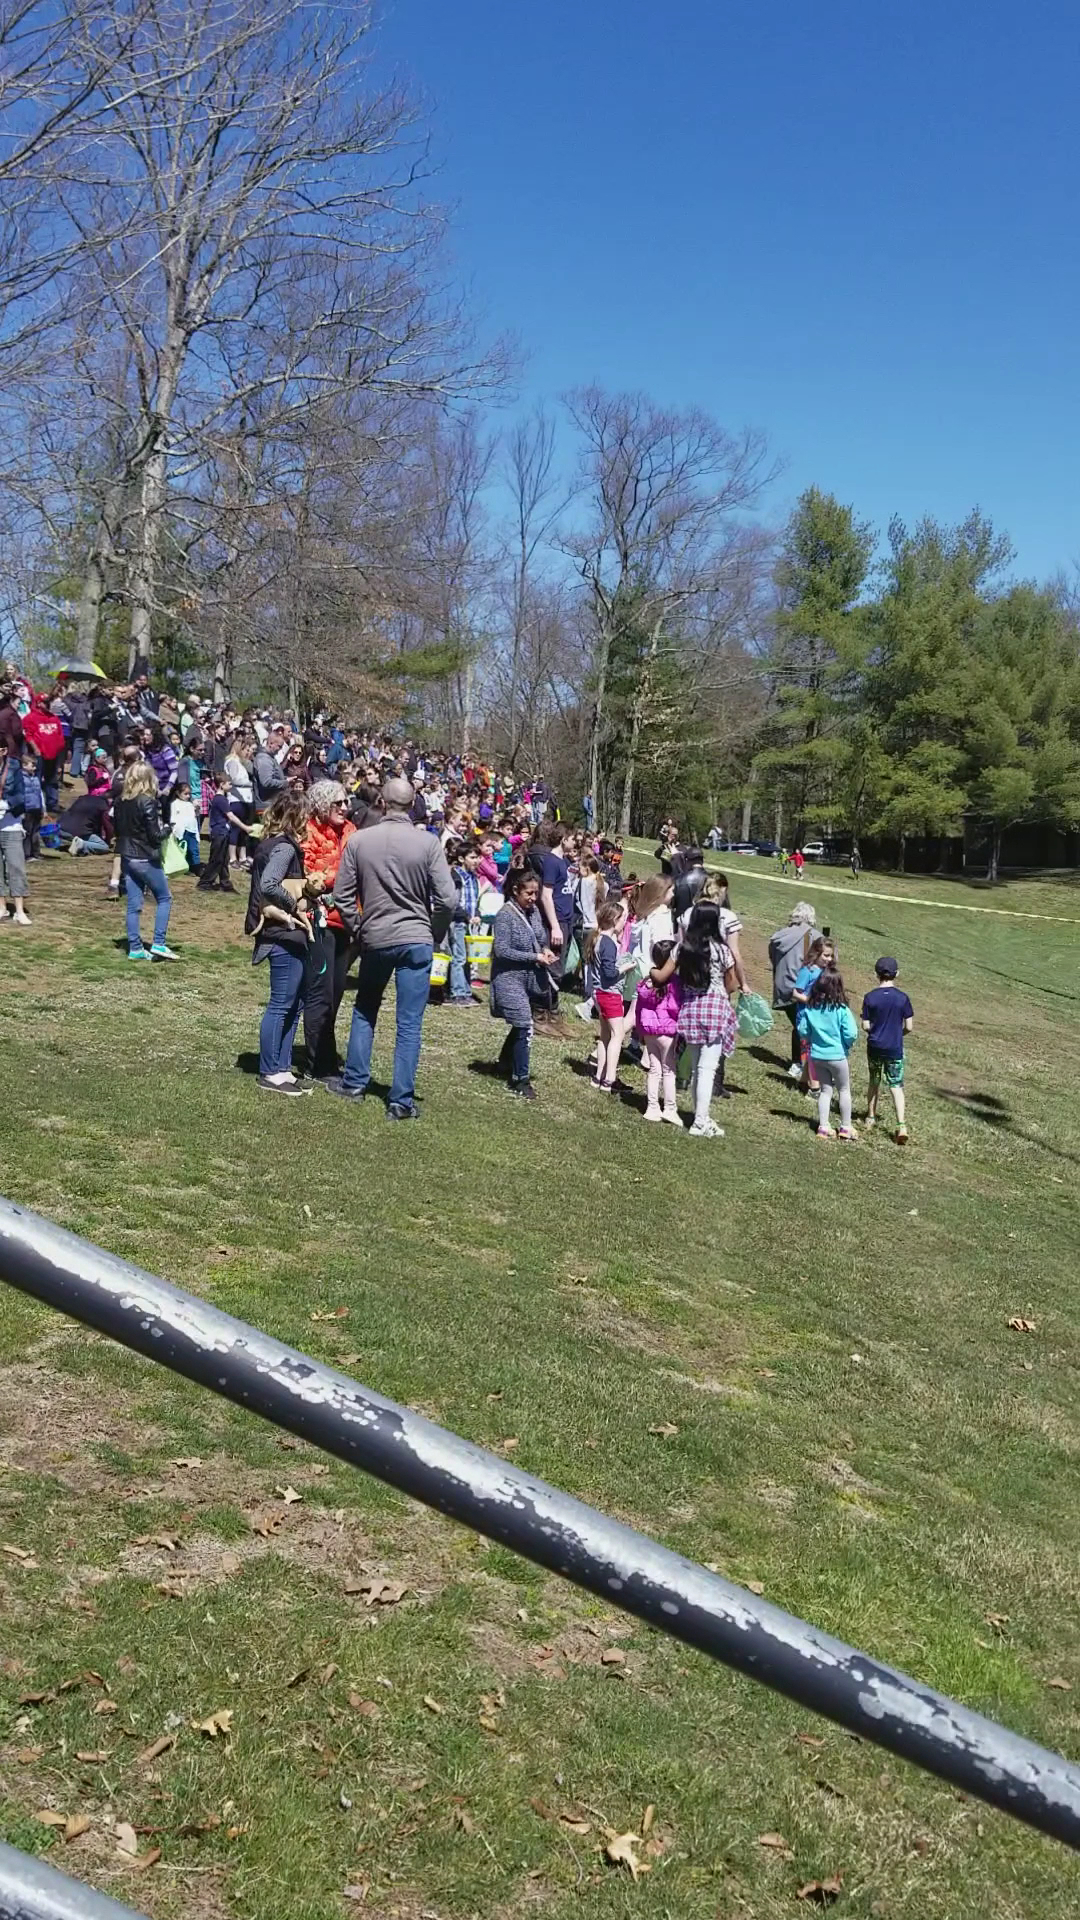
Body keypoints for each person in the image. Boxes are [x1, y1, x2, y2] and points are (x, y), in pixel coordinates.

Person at [330, 775, 457, 1117]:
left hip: (376, 935)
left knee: (365, 1008)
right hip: (416, 937)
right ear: (413, 804)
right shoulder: (428, 843)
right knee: (409, 1022)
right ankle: (400, 1101)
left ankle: (354, 1082)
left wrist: (358, 928)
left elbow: (342, 895)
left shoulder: (359, 841)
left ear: (382, 803)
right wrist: (433, 931)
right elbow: (447, 899)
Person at [246, 789, 317, 1095]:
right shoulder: (285, 848)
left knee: (294, 1005)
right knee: (281, 1004)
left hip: (287, 935)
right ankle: (270, 1071)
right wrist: (294, 903)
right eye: (306, 814)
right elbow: (269, 885)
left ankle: (283, 1068)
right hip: (281, 935)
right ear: (296, 816)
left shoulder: (273, 844)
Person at [301, 779, 356, 1079]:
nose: (345, 807)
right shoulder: (309, 830)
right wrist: (343, 874)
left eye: (347, 802)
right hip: (318, 921)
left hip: (346, 920)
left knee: (335, 993)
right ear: (322, 803)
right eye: (339, 802)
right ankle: (318, 1064)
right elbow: (310, 875)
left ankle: (326, 1056)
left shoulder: (350, 831)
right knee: (320, 993)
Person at [489, 868, 556, 1099]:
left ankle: (504, 1062)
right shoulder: (505, 915)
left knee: (521, 1023)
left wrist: (545, 949)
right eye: (529, 893)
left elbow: (539, 938)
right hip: (508, 978)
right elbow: (502, 950)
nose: (533, 898)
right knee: (525, 1024)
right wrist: (533, 957)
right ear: (516, 890)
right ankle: (521, 1078)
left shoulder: (533, 911)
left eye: (536, 893)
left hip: (528, 978)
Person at [674, 900, 737, 1138]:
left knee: (696, 1066)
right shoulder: (721, 950)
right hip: (714, 1008)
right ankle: (700, 1121)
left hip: (690, 1008)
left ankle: (700, 1116)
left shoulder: (684, 948)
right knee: (707, 1069)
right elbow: (731, 982)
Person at [114, 760, 176, 960]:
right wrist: (168, 828)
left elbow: (117, 830)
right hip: (144, 856)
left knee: (134, 904)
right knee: (164, 898)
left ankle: (135, 948)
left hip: (127, 856)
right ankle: (159, 942)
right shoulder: (147, 801)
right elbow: (155, 836)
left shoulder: (120, 801)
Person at [800, 965, 858, 1141]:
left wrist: (812, 1039)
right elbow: (851, 1033)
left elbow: (803, 1030)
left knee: (825, 1091)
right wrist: (845, 1045)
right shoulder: (841, 1010)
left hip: (817, 1055)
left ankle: (823, 1127)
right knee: (844, 1089)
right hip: (838, 1056)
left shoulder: (811, 1008)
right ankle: (846, 1127)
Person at [861, 956, 914, 1144]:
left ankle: (870, 1117)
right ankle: (901, 1125)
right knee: (896, 1085)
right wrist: (898, 1034)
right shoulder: (903, 998)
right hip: (894, 1048)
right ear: (896, 974)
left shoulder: (870, 997)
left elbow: (865, 1025)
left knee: (874, 1081)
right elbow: (909, 1026)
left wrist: (875, 1031)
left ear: (876, 974)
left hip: (875, 1046)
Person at [635, 938, 683, 1125]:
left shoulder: (646, 982)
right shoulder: (675, 983)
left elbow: (639, 1008)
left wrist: (640, 1031)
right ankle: (670, 1108)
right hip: (667, 1032)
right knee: (669, 1070)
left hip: (649, 1032)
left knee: (654, 1070)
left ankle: (652, 1107)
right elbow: (676, 1007)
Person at [585, 898, 631, 1092]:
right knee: (617, 1035)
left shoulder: (596, 939)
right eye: (622, 919)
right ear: (613, 920)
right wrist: (626, 967)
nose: (624, 923)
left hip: (598, 993)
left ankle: (598, 1077)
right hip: (609, 994)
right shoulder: (609, 944)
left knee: (604, 1036)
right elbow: (610, 973)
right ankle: (609, 1079)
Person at [768, 901, 818, 1077]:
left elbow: (773, 957)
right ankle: (800, 1063)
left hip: (783, 986)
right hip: (804, 989)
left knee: (799, 1024)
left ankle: (800, 1062)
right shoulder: (815, 937)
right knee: (802, 1026)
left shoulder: (780, 936)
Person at [791, 936, 834, 1093]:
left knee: (813, 1049)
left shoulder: (825, 972)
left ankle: (803, 1082)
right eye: (826, 955)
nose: (829, 959)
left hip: (819, 1016)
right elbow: (795, 993)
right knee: (811, 1052)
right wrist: (810, 1000)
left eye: (831, 956)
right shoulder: (807, 971)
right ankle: (814, 1087)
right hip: (806, 1017)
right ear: (816, 954)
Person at [447, 839, 482, 1007]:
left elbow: (474, 900)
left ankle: (466, 991)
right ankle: (457, 993)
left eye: (478, 857)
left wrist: (478, 914)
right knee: (458, 958)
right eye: (472, 857)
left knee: (467, 958)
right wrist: (467, 916)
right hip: (457, 922)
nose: (476, 861)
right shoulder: (456, 876)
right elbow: (453, 902)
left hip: (469, 923)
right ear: (461, 859)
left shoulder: (473, 877)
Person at [0, 746, 30, 923]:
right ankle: (2, 907)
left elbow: (21, 796)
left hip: (10, 825)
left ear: (3, 751)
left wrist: (6, 805)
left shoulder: (14, 767)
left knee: (16, 866)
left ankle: (19, 910)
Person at [197, 785, 243, 893]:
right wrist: (245, 827)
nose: (231, 786)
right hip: (219, 832)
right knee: (216, 859)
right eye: (229, 784)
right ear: (222, 784)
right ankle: (205, 882)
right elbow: (230, 816)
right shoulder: (220, 799)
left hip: (224, 832)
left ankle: (225, 883)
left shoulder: (222, 798)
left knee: (224, 860)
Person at [169, 781, 201, 872]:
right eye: (185, 794)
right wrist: (174, 829)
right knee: (183, 849)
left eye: (189, 794)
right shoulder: (175, 804)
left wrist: (197, 809)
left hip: (191, 830)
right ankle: (183, 866)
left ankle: (196, 866)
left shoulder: (190, 804)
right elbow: (173, 818)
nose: (188, 796)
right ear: (178, 793)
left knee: (193, 849)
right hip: (181, 831)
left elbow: (194, 817)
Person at [672, 845, 707, 921]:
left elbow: (672, 904)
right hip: (706, 923)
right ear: (702, 861)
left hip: (682, 922)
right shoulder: (713, 880)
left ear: (687, 860)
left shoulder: (678, 880)